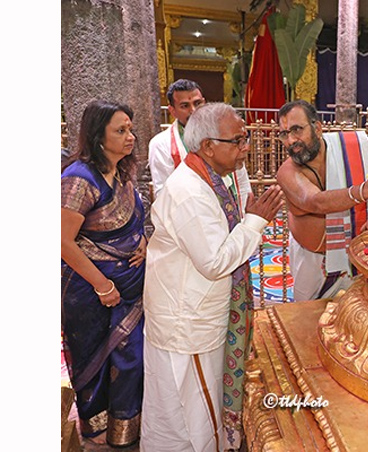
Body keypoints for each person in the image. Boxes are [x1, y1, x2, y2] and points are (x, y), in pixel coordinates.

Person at [140, 103, 284, 451]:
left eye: (245, 138)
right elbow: (216, 261)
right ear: (207, 146)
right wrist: (255, 221)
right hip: (187, 324)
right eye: (237, 140)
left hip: (189, 313)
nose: (246, 147)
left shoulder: (211, 178)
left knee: (183, 411)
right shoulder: (191, 191)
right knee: (191, 418)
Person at [61, 100, 147, 447]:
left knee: (131, 359)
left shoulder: (122, 172)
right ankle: (97, 431)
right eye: (121, 130)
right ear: (98, 137)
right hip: (92, 290)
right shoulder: (79, 179)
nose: (130, 137)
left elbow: (132, 222)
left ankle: (125, 429)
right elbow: (62, 240)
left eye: (130, 129)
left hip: (129, 285)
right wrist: (102, 285)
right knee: (96, 362)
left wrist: (143, 242)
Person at [275, 100, 368, 302]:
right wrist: (363, 191)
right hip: (311, 264)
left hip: (356, 255)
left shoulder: (352, 147)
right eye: (284, 134)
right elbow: (315, 202)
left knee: (357, 315)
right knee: (309, 322)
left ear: (317, 128)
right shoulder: (287, 172)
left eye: (297, 130)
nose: (291, 140)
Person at [148, 79, 252, 211]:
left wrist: (244, 216)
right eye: (185, 106)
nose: (193, 110)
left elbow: (241, 181)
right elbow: (163, 195)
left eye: (197, 103)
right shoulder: (162, 144)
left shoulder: (224, 133)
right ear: (172, 111)